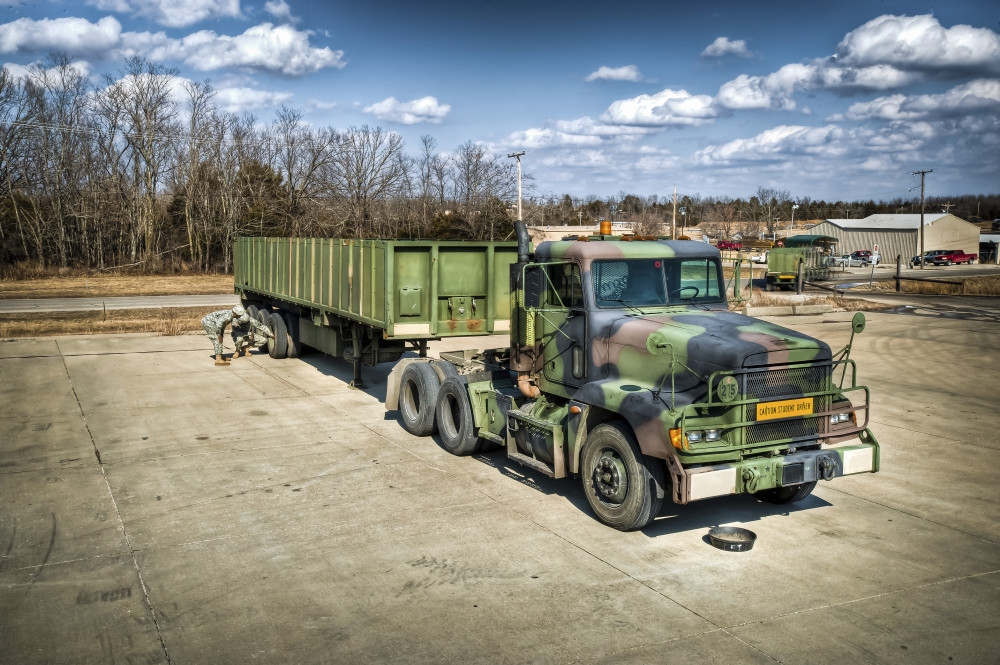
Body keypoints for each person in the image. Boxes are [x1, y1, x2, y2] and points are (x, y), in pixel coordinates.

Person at [201, 305, 273, 366]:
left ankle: (220, 355)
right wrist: (219, 333)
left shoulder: (243, 318)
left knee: (220, 338)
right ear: (236, 315)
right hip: (209, 323)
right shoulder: (230, 317)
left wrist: (271, 334)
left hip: (216, 323)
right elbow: (219, 325)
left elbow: (261, 326)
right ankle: (218, 359)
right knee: (217, 339)